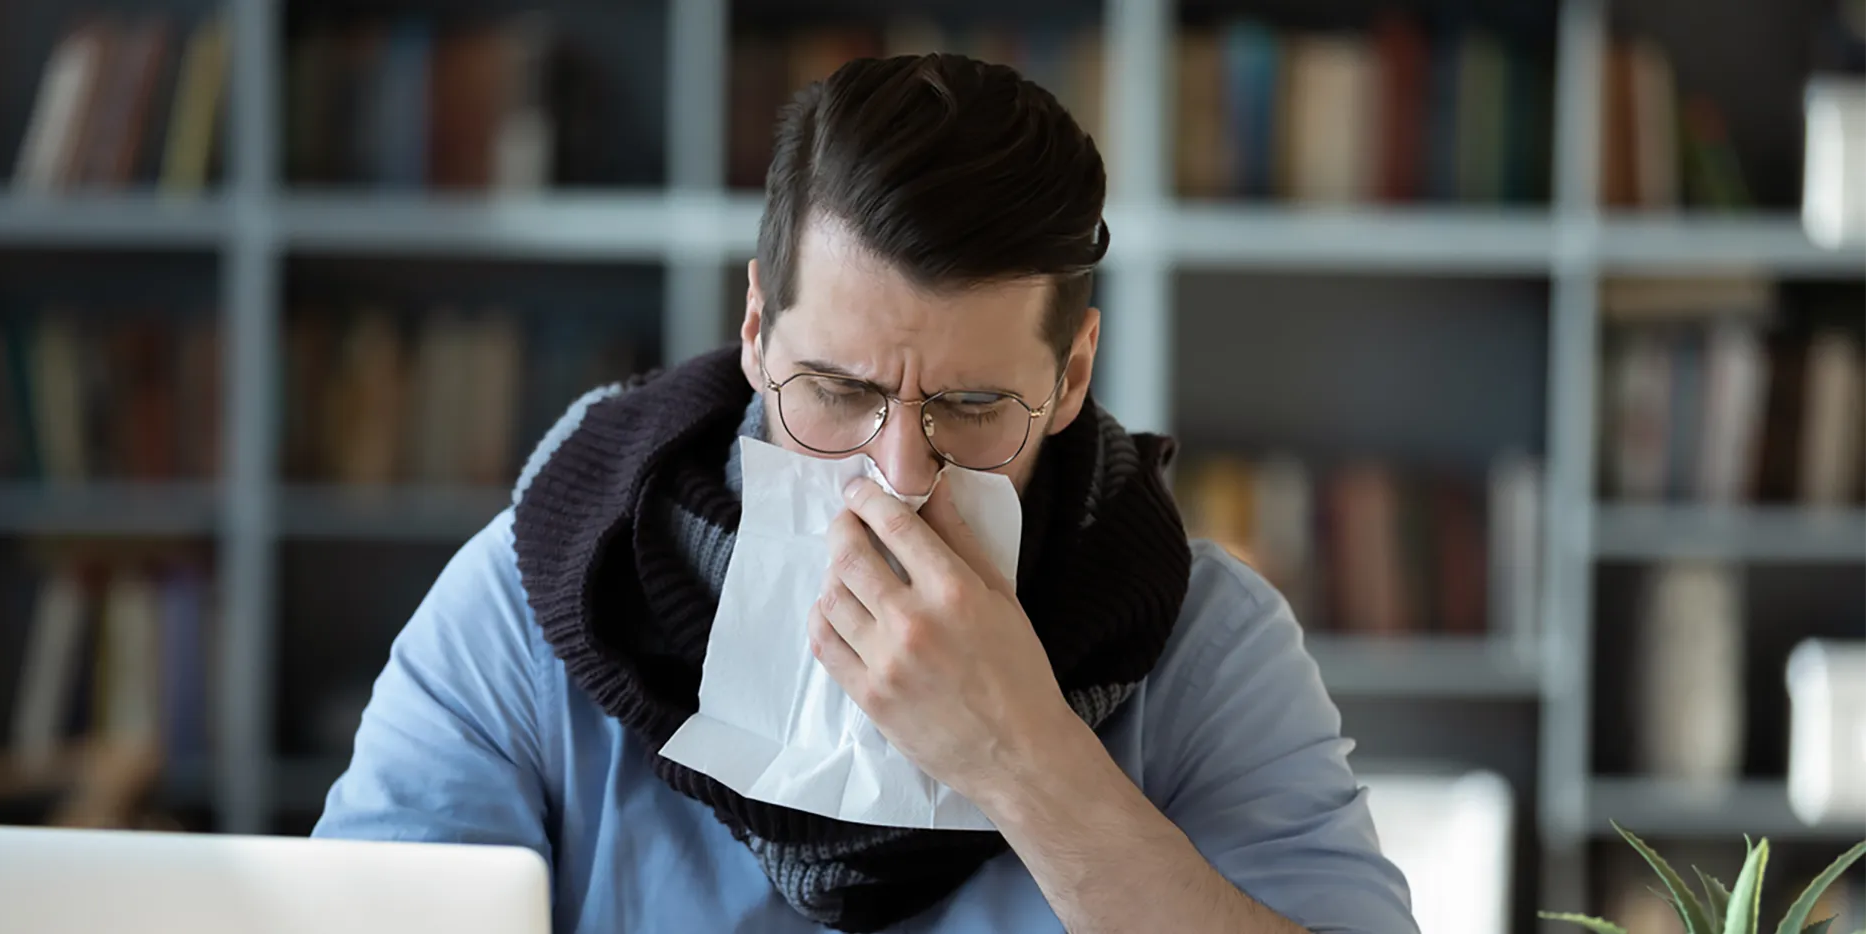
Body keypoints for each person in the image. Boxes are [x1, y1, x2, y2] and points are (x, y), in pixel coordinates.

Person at [313, 53, 1417, 934]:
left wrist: (1023, 756)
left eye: (974, 406)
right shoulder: (537, 599)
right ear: (755, 328)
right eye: (837, 392)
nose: (897, 476)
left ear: (1072, 374)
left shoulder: (1206, 646)